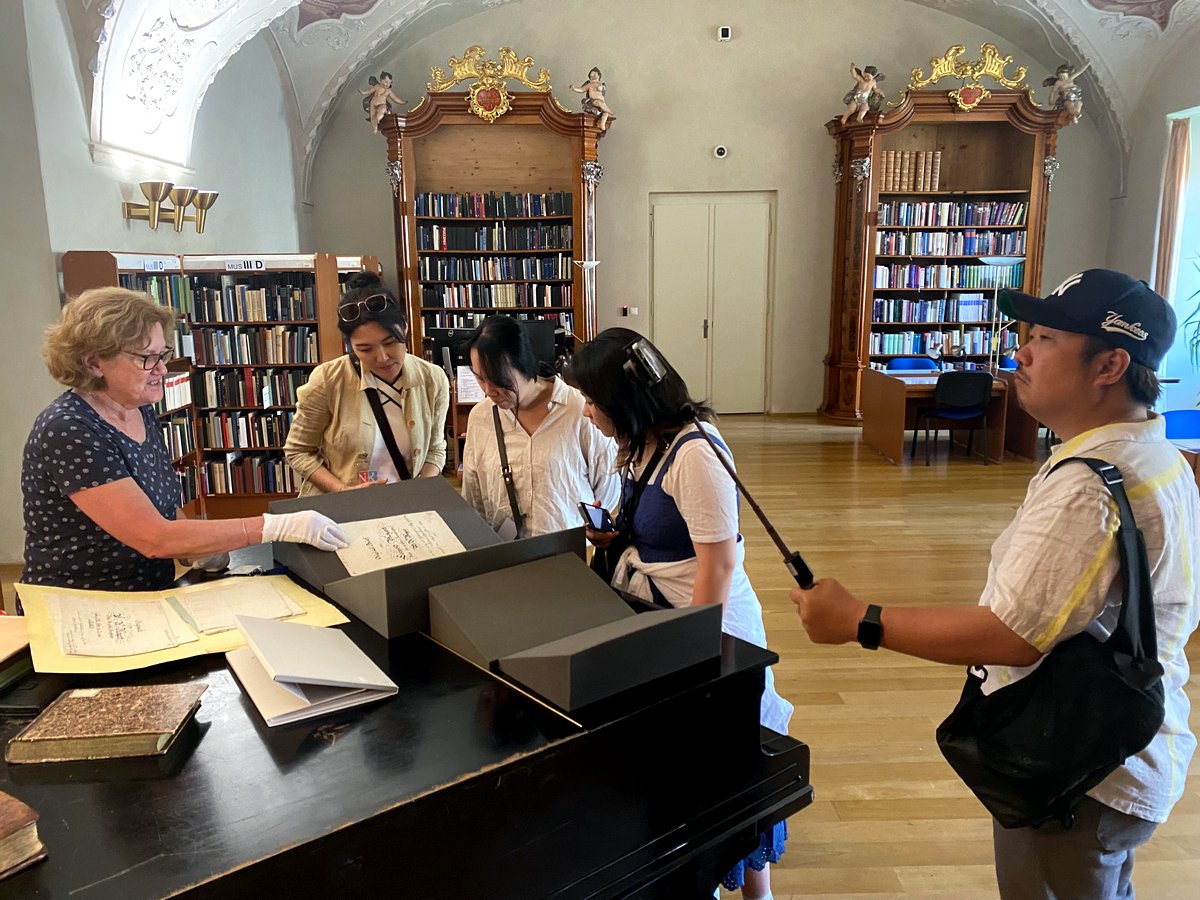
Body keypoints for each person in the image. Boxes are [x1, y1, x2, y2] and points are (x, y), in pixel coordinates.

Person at [793, 269, 1200, 899]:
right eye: (1024, 334)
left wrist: (859, 621)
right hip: (1127, 739)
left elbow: (1011, 635)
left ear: (1110, 364)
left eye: (1045, 339)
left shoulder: (1089, 485)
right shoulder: (1157, 456)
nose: (1020, 352)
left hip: (1078, 769)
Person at [568, 328, 793, 900]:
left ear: (628, 399)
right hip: (666, 615)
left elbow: (717, 567)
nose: (588, 413)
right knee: (703, 774)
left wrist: (689, 659)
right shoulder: (644, 442)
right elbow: (659, 525)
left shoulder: (696, 453)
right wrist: (616, 534)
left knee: (729, 768)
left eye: (594, 402)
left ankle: (752, 890)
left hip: (712, 630)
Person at [20, 287, 347, 594]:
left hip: (145, 596)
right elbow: (153, 538)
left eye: (163, 354)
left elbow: (164, 509)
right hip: (82, 606)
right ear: (94, 362)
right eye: (147, 357)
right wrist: (278, 527)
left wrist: (199, 547)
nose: (162, 369)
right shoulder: (69, 429)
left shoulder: (140, 409)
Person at [285, 272, 448, 495]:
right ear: (350, 345)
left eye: (389, 342)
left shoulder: (432, 378)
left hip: (405, 504)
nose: (382, 358)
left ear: (405, 327)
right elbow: (298, 451)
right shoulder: (328, 379)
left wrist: (419, 491)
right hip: (341, 507)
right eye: (365, 349)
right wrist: (342, 491)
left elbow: (435, 449)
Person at [460, 316, 618, 539]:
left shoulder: (579, 410)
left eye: (498, 379)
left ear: (524, 364)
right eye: (480, 378)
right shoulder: (481, 417)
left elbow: (607, 489)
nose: (488, 390)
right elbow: (474, 496)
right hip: (506, 556)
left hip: (571, 555)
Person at [571, 67, 616, 131]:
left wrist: (600, 87)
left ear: (599, 76)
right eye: (591, 75)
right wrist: (574, 89)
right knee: (600, 104)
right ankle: (611, 112)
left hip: (601, 101)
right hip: (593, 101)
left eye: (595, 75)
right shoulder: (589, 85)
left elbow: (601, 89)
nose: (593, 76)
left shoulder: (600, 84)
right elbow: (582, 89)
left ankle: (602, 124)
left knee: (605, 113)